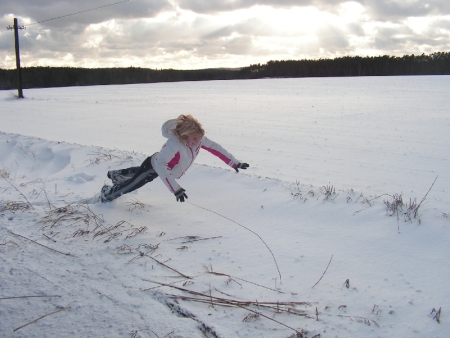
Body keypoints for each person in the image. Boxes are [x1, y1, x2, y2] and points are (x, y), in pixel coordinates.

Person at [100, 114, 249, 203]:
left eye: (199, 138)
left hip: (164, 169)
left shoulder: (198, 139)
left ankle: (116, 175)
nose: (198, 141)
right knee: (132, 185)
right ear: (184, 136)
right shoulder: (174, 145)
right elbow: (160, 167)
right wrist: (175, 189)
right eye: (194, 139)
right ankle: (107, 194)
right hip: (155, 166)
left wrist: (235, 163)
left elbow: (216, 148)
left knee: (137, 173)